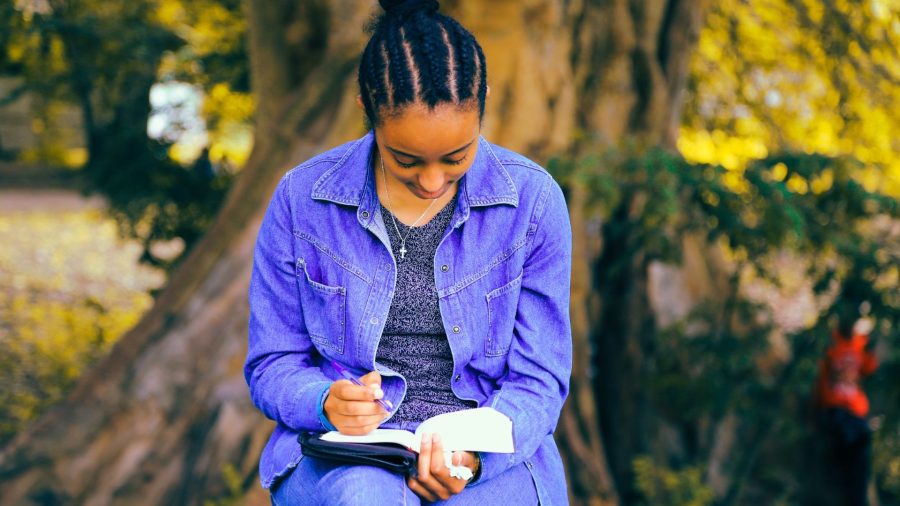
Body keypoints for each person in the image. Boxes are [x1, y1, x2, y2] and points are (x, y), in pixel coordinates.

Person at [244, 1, 573, 504]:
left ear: (482, 102)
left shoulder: (532, 202)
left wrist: (473, 460)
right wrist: (323, 401)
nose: (432, 181)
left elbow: (539, 379)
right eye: (406, 160)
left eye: (456, 157)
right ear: (366, 108)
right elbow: (272, 362)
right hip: (345, 456)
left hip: (488, 457)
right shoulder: (302, 199)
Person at [814, 304, 879, 506]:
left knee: (861, 442)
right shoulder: (829, 341)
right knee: (849, 440)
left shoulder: (862, 344)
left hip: (856, 413)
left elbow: (871, 367)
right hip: (834, 409)